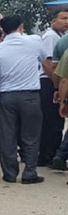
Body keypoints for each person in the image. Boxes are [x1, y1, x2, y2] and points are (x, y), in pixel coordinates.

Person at [0, 15, 46, 184]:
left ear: (3, 30)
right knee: (31, 135)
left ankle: (10, 173)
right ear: (21, 26)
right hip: (30, 95)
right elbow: (43, 59)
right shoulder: (34, 41)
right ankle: (29, 172)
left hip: (7, 96)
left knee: (7, 135)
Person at [38, 9, 68, 166]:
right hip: (49, 82)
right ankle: (47, 156)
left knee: (55, 122)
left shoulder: (61, 37)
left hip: (56, 82)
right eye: (63, 18)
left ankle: (52, 154)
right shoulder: (50, 37)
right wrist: (56, 85)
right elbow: (47, 64)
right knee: (52, 122)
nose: (66, 21)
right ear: (53, 21)